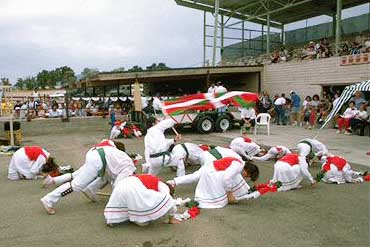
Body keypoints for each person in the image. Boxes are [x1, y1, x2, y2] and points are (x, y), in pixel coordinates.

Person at [40, 139, 136, 215]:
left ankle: (53, 181)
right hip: (98, 160)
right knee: (76, 186)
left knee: (75, 175)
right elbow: (118, 185)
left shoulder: (108, 143)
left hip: (93, 154)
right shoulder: (123, 159)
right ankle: (48, 200)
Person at [168, 157, 259, 208]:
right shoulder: (237, 166)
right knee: (194, 177)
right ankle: (173, 182)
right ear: (247, 171)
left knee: (194, 177)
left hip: (213, 165)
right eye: (247, 176)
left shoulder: (240, 163)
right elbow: (227, 178)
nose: (245, 177)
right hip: (211, 169)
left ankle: (173, 182)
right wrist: (229, 194)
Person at [104, 174, 180, 226]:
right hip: (134, 186)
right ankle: (137, 218)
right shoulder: (163, 186)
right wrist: (171, 218)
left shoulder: (151, 178)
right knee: (144, 221)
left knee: (120, 202)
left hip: (122, 183)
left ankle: (111, 219)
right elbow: (169, 200)